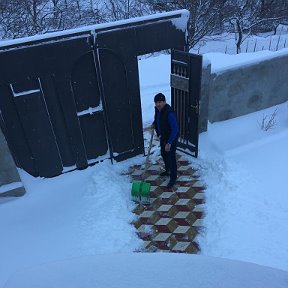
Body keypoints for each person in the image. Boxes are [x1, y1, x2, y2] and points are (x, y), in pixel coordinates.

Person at [152, 92, 179, 188]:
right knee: (164, 154)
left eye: (160, 102)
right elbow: (158, 119)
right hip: (163, 137)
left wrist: (169, 143)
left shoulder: (169, 113)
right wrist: (154, 124)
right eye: (156, 102)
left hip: (171, 138)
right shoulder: (158, 110)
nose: (158, 104)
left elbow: (175, 129)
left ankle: (173, 177)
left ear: (164, 102)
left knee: (171, 157)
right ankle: (168, 170)